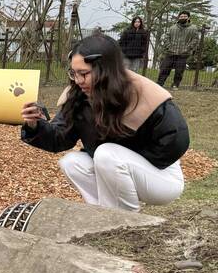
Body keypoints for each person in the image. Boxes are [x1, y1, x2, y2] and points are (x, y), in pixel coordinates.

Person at [21, 34, 189, 212]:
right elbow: (60, 138)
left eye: (84, 73)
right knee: (71, 162)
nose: (78, 80)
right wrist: (35, 125)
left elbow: (176, 141)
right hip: (115, 165)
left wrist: (127, 160)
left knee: (106, 154)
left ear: (106, 69)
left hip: (161, 176)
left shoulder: (145, 94)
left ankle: (127, 221)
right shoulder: (77, 96)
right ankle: (102, 216)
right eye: (73, 73)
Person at [157, 10, 199, 90]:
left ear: (188, 18)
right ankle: (160, 83)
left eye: (185, 16)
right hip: (170, 53)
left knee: (179, 71)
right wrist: (169, 47)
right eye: (181, 16)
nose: (183, 18)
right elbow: (166, 38)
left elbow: (195, 40)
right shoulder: (172, 28)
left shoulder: (193, 28)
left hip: (183, 54)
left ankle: (175, 85)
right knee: (164, 68)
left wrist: (187, 49)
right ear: (179, 17)